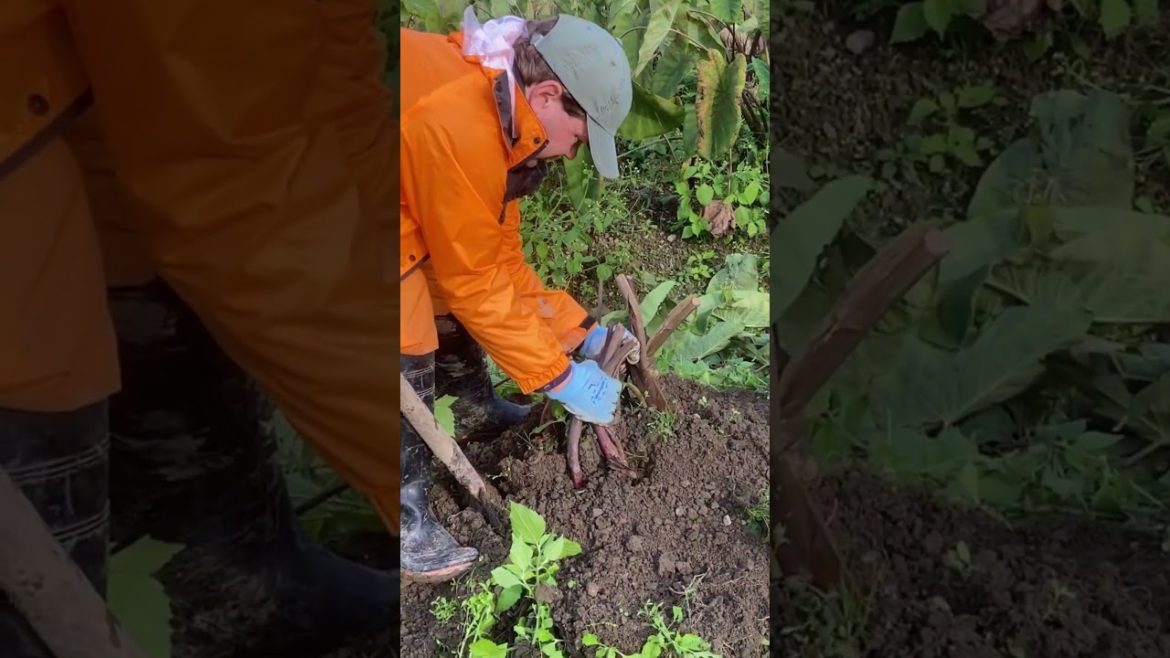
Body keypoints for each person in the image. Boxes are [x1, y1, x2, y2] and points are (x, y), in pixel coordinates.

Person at [2, 1, 401, 655]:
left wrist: (417, 302)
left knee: (120, 159)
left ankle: (226, 580)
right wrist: (417, 463)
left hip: (47, 65)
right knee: (36, 303)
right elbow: (245, 185)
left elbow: (329, 86)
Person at [399, 8, 639, 583]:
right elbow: (477, 283)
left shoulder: (502, 112)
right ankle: (400, 518)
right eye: (579, 139)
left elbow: (497, 262)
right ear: (551, 95)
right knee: (403, 321)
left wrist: (581, 337)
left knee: (443, 275)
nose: (572, 155)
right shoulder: (463, 123)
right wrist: (560, 379)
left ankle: (473, 403)